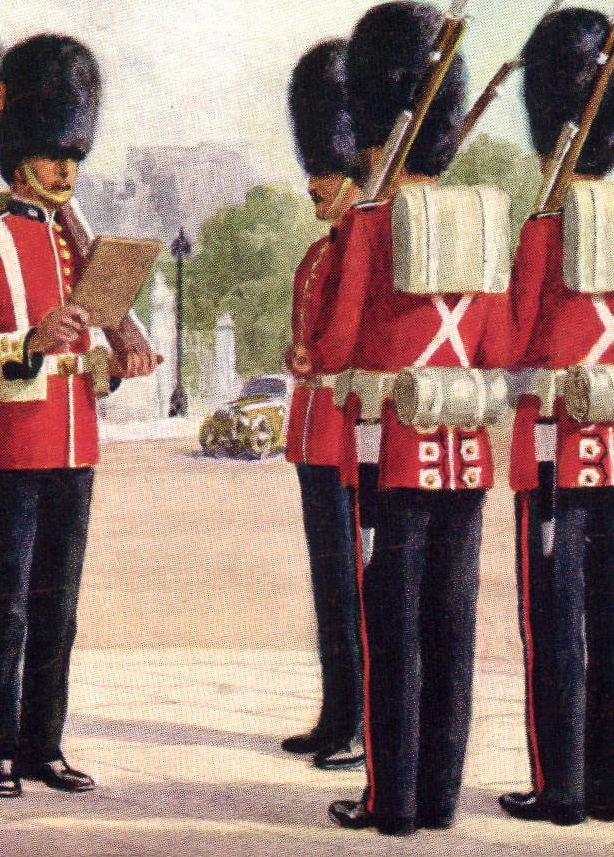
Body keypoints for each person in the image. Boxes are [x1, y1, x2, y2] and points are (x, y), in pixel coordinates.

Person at [0, 34, 156, 798]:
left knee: (57, 613)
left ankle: (44, 745)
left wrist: (113, 367)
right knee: (7, 614)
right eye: (54, 152)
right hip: (8, 448)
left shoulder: (80, 250)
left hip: (73, 448)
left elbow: (86, 362)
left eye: (73, 155)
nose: (67, 168)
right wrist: (27, 341)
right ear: (19, 152)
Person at [313, 2, 508, 836]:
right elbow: (496, 341)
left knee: (393, 634)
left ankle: (390, 802)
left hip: (390, 455)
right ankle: (440, 799)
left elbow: (331, 348)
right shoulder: (486, 217)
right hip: (464, 451)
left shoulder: (369, 223)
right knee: (452, 633)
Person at [496, 7, 614, 827]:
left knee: (556, 626)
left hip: (555, 451)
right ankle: (613, 788)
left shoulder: (545, 229)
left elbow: (512, 345)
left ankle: (561, 789)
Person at [280, 40, 365, 771]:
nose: (315, 182)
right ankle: (335, 713)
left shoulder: (367, 247)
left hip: (352, 437)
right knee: (328, 588)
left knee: (356, 590)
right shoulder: (319, 254)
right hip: (313, 437)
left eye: (328, 171)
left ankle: (360, 722)